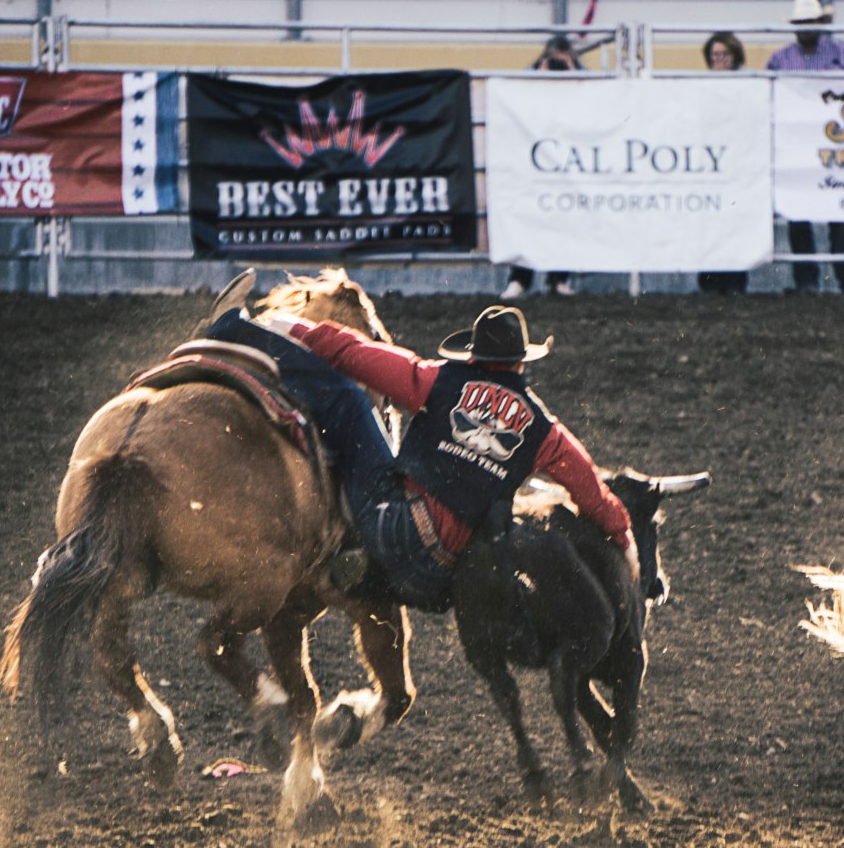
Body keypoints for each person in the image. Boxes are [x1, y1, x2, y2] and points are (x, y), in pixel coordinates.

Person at [205, 303, 638, 613]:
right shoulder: (545, 431)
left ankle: (235, 329)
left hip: (393, 530)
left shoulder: (439, 381)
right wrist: (623, 539)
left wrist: (293, 327)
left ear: (473, 356)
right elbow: (592, 493)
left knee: (349, 402)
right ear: (521, 363)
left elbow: (353, 353)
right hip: (445, 576)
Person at [767, 0, 844, 295]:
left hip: (834, 144)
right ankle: (807, 280)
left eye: (810, 22)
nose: (806, 28)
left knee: (841, 210)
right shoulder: (779, 59)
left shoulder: (843, 54)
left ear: (821, 23)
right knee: (799, 212)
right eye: (801, 23)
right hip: (795, 144)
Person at [501, 34, 587, 301]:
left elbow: (593, 99)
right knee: (529, 217)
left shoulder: (581, 77)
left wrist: (573, 75)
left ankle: (559, 279)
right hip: (534, 159)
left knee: (566, 216)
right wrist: (540, 74)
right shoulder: (531, 76)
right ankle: (519, 280)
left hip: (566, 160)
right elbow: (516, 96)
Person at [697, 31, 751, 295]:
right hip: (711, 163)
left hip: (737, 163)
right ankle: (710, 282)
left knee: (734, 223)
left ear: (735, 56)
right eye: (714, 55)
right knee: (709, 224)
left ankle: (734, 281)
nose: (719, 59)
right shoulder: (702, 88)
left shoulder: (748, 86)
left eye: (724, 54)